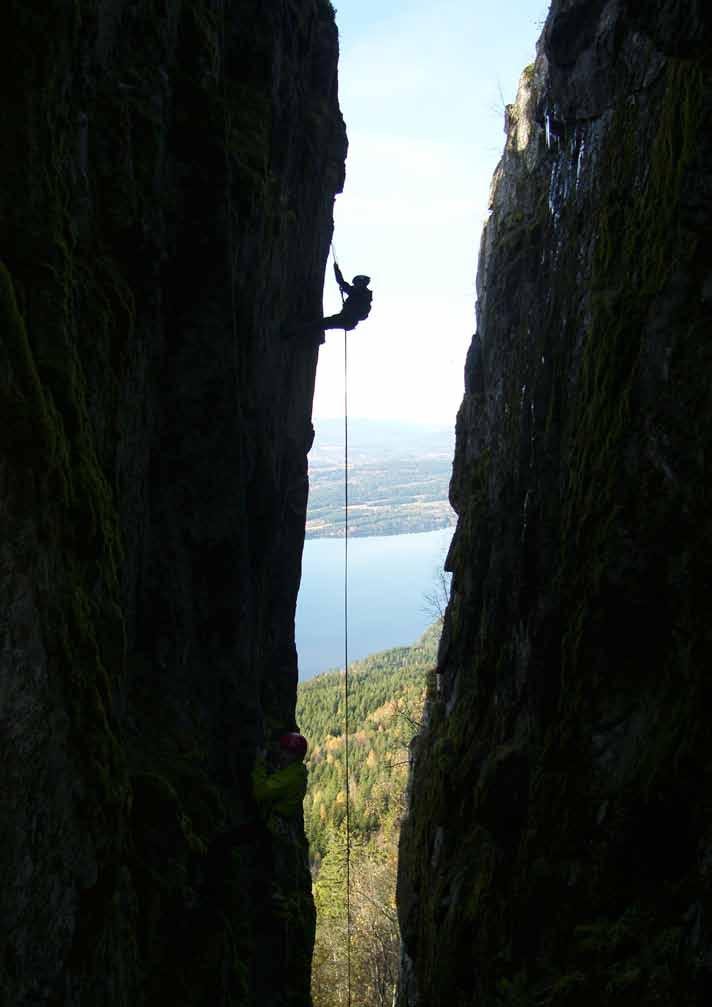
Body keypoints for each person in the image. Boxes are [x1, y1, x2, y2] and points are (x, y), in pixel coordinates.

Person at [321, 262, 372, 332]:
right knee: (323, 324)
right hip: (349, 321)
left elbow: (341, 282)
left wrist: (336, 270)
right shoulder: (365, 295)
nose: (354, 285)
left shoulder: (357, 293)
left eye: (356, 284)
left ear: (360, 284)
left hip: (346, 319)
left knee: (322, 324)